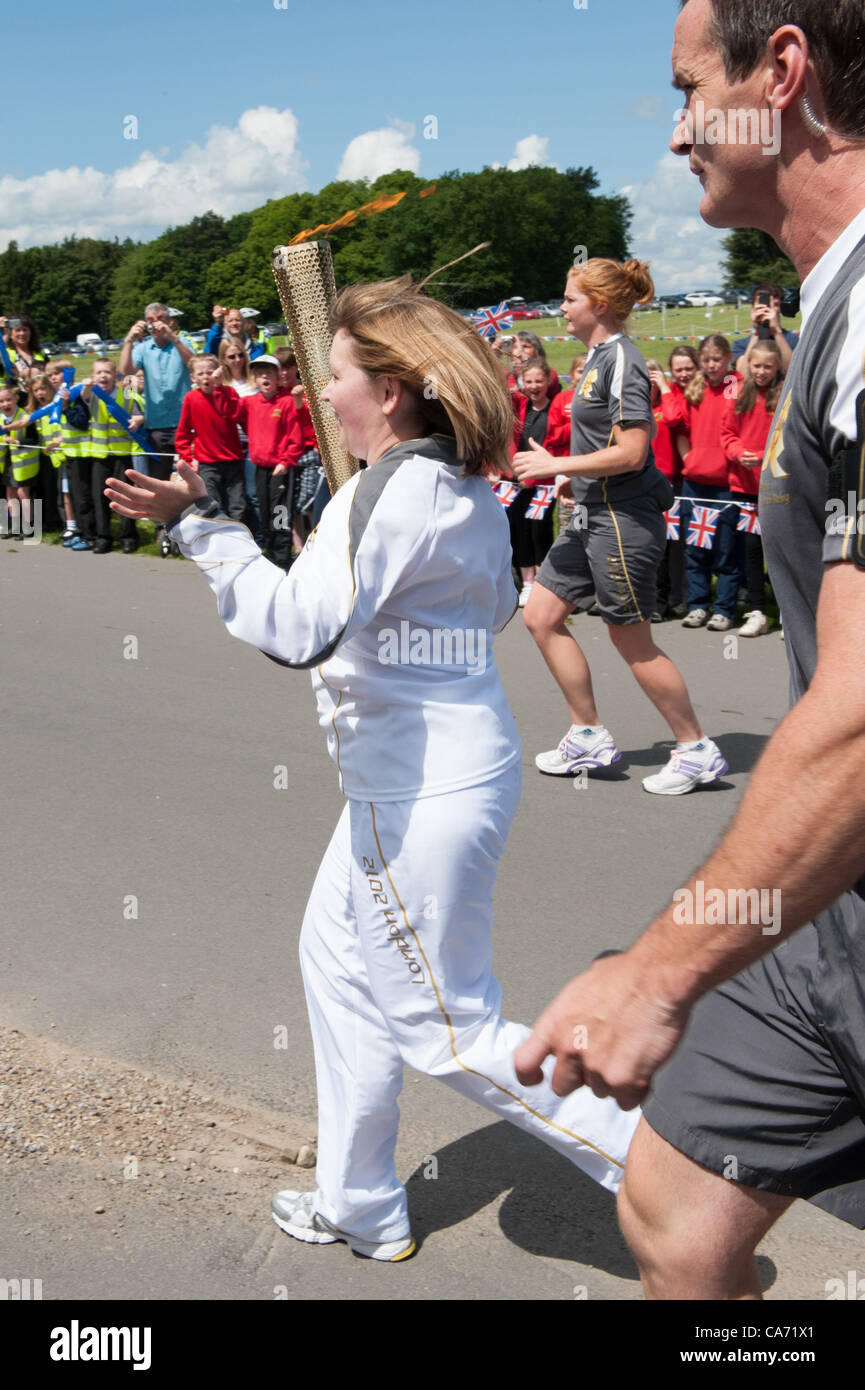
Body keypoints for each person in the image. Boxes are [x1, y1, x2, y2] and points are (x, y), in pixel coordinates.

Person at [105, 276, 639, 1262]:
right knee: (336, 966)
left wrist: (199, 527)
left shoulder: (387, 486)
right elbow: (477, 614)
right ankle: (362, 1202)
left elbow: (296, 626)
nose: (328, 392)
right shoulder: (460, 480)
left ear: (388, 391)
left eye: (338, 374)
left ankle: (662, 1164)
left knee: (443, 1026)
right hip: (429, 774)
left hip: (418, 793)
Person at [514, 0, 865, 1302]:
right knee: (672, 1212)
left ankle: (660, 735)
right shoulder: (830, 304)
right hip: (832, 909)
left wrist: (659, 967)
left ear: (780, 75)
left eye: (683, 90)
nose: (670, 134)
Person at [516, 258, 727, 795]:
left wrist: (557, 466)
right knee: (541, 614)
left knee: (631, 639)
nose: (560, 307)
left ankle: (696, 748)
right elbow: (602, 444)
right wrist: (574, 480)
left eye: (569, 298)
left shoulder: (623, 362)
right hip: (589, 511)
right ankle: (587, 734)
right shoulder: (592, 359)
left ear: (600, 305)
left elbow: (633, 452)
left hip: (622, 521)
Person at [660, 335, 743, 630]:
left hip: (725, 482)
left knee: (725, 549)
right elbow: (674, 422)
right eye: (706, 360)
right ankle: (698, 605)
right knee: (695, 548)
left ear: (728, 358)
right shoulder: (695, 388)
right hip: (695, 481)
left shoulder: (736, 385)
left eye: (717, 359)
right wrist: (691, 458)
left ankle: (724, 608)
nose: (712, 366)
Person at [211, 354, 303, 569]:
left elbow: (295, 437)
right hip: (260, 467)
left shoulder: (286, 402)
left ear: (277, 377)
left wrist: (286, 461)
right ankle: (270, 552)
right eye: (260, 373)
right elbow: (228, 410)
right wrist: (218, 386)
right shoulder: (250, 402)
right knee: (264, 510)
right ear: (255, 378)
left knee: (280, 512)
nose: (264, 377)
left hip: (280, 469)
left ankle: (282, 555)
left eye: (269, 373)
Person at [119, 302, 195, 554]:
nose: (156, 323)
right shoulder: (143, 348)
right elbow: (126, 371)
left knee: (189, 477)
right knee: (159, 480)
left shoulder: (180, 341)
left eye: (160, 318)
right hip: (158, 425)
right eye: (150, 319)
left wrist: (172, 338)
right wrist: (129, 341)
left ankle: (191, 526)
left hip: (186, 422)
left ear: (170, 320)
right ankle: (163, 528)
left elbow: (193, 364)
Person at [721, 341, 785, 635]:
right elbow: (728, 432)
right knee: (751, 551)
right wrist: (737, 454)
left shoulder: (785, 393)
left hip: (778, 486)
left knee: (781, 550)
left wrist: (762, 457)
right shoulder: (737, 390)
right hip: (745, 487)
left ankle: (787, 612)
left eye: (768, 366)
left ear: (777, 367)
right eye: (756, 366)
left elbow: (791, 436)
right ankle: (757, 611)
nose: (761, 372)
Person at [507, 358, 569, 607]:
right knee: (517, 528)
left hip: (543, 480)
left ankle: (543, 580)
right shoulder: (519, 404)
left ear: (548, 381)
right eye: (529, 381)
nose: (534, 386)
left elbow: (556, 443)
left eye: (539, 381)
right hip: (518, 479)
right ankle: (527, 582)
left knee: (539, 529)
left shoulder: (555, 406)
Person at [174, 356, 247, 521]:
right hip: (208, 463)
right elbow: (183, 434)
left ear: (219, 373)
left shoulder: (230, 393)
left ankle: (240, 539)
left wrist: (219, 389)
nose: (206, 377)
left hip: (233, 459)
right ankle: (217, 541)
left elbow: (234, 415)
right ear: (193, 377)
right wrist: (188, 459)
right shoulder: (191, 398)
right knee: (212, 504)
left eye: (210, 372)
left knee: (238, 505)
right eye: (201, 373)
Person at [731, 282, 799, 374]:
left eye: (774, 305)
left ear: (780, 308)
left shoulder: (794, 340)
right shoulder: (741, 345)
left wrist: (776, 332)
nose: (769, 309)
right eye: (764, 305)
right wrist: (757, 331)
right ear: (753, 309)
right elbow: (743, 374)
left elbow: (793, 372)